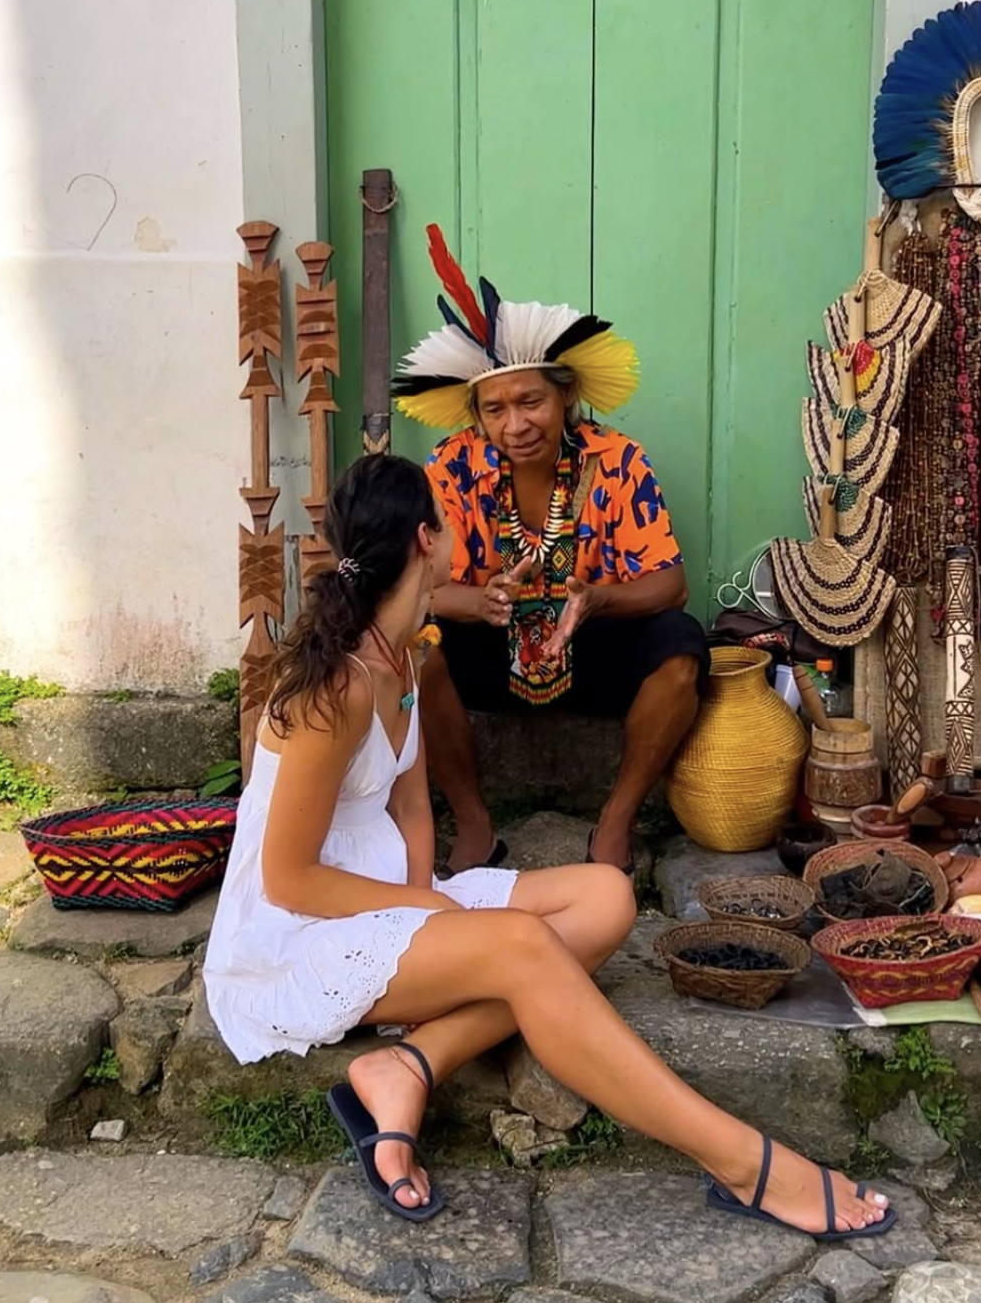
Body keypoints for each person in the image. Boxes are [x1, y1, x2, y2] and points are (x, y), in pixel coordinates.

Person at [203, 452, 894, 1240]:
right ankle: (744, 1162)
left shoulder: (410, 654)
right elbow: (288, 879)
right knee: (527, 948)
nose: (462, 521)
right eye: (447, 512)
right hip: (297, 930)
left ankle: (410, 1064)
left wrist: (435, 901)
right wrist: (425, 910)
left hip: (386, 891)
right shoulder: (336, 687)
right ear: (427, 539)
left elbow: (410, 803)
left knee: (606, 898)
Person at [392, 225, 709, 876]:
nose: (516, 425)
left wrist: (596, 601)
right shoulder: (452, 467)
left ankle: (616, 822)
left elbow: (670, 584)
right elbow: (417, 586)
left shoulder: (616, 460)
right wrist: (477, 602)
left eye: (531, 400)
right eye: (496, 409)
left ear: (566, 394)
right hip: (492, 648)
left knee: (681, 646)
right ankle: (475, 823)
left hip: (589, 648)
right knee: (416, 644)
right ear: (476, 416)